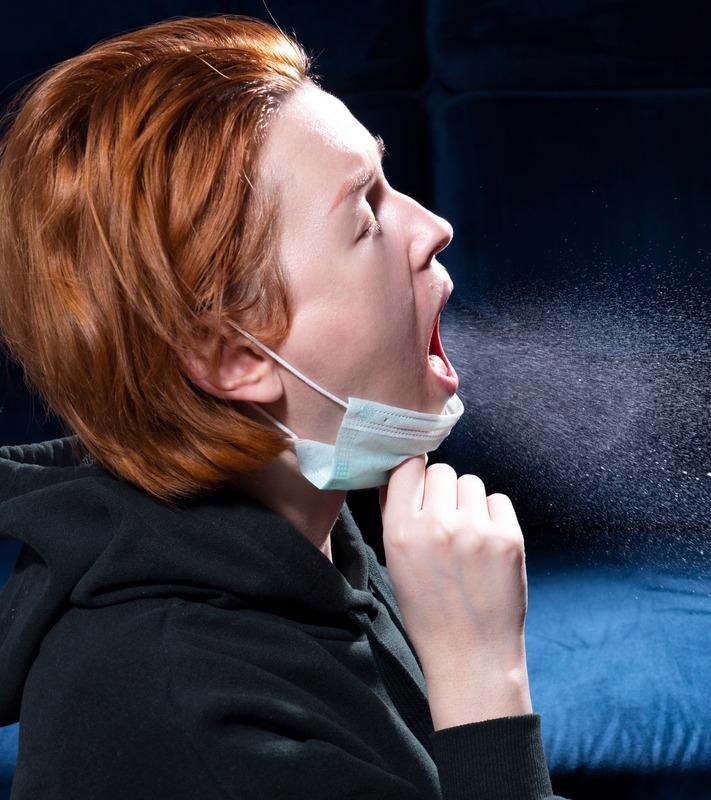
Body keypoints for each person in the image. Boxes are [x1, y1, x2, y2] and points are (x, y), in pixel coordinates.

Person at [0, 14, 568, 800]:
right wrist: (483, 681)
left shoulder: (320, 540)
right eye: (364, 216)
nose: (434, 229)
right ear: (231, 356)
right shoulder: (187, 722)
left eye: (387, 179)